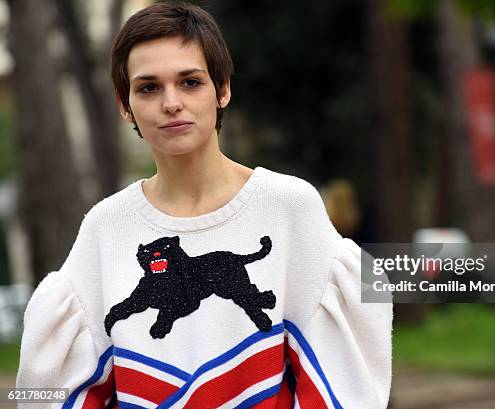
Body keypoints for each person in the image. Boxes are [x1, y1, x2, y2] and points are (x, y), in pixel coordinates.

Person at [16, 2, 392, 408]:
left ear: (223, 89)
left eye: (190, 82)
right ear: (126, 105)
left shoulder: (289, 206)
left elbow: (340, 376)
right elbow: (50, 390)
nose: (171, 102)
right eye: (148, 87)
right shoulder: (105, 227)